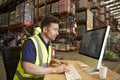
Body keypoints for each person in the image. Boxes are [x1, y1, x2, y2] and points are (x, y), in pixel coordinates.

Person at [13, 15, 69, 80]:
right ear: (45, 29)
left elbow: (42, 59)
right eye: (55, 30)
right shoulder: (30, 43)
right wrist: (55, 70)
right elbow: (27, 68)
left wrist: (55, 61)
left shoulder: (48, 44)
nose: (57, 33)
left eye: (58, 30)